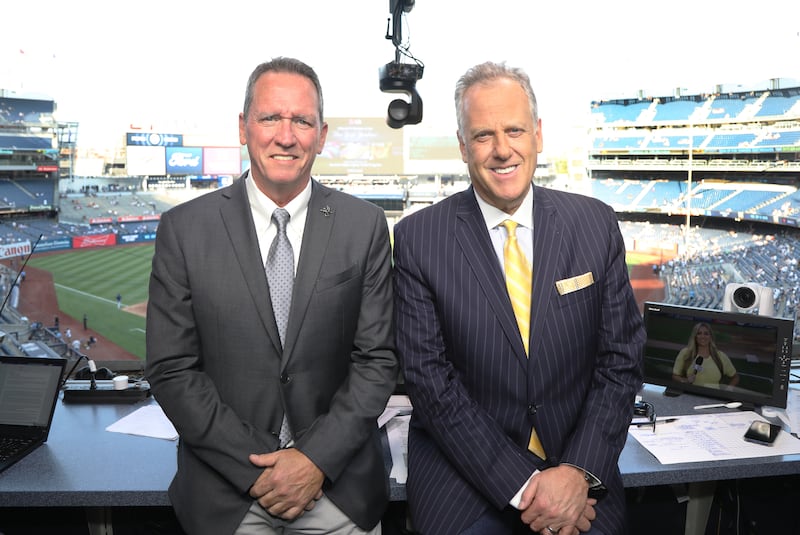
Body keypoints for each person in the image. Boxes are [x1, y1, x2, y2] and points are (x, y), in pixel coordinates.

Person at [145, 57, 398, 535]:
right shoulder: (184, 229)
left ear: (321, 135)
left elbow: (377, 360)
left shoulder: (363, 225)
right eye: (270, 118)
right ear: (244, 127)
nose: (286, 136)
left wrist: (313, 460)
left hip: (337, 488)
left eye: (301, 120)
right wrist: (258, 470)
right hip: (228, 492)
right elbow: (172, 369)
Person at [392, 61, 645, 535]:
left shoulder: (595, 224)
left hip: (578, 465)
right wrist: (526, 486)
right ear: (463, 147)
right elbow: (431, 384)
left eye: (514, 130)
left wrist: (577, 472)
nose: (502, 149)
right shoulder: (418, 238)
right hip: (464, 479)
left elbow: (621, 361)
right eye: (483, 135)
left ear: (538, 135)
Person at [672, 322, 739, 389]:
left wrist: (728, 389)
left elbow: (735, 377)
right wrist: (685, 381)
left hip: (713, 394)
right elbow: (675, 376)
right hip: (690, 392)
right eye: (699, 333)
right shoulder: (685, 353)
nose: (702, 337)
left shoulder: (720, 356)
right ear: (695, 336)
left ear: (710, 337)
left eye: (706, 334)